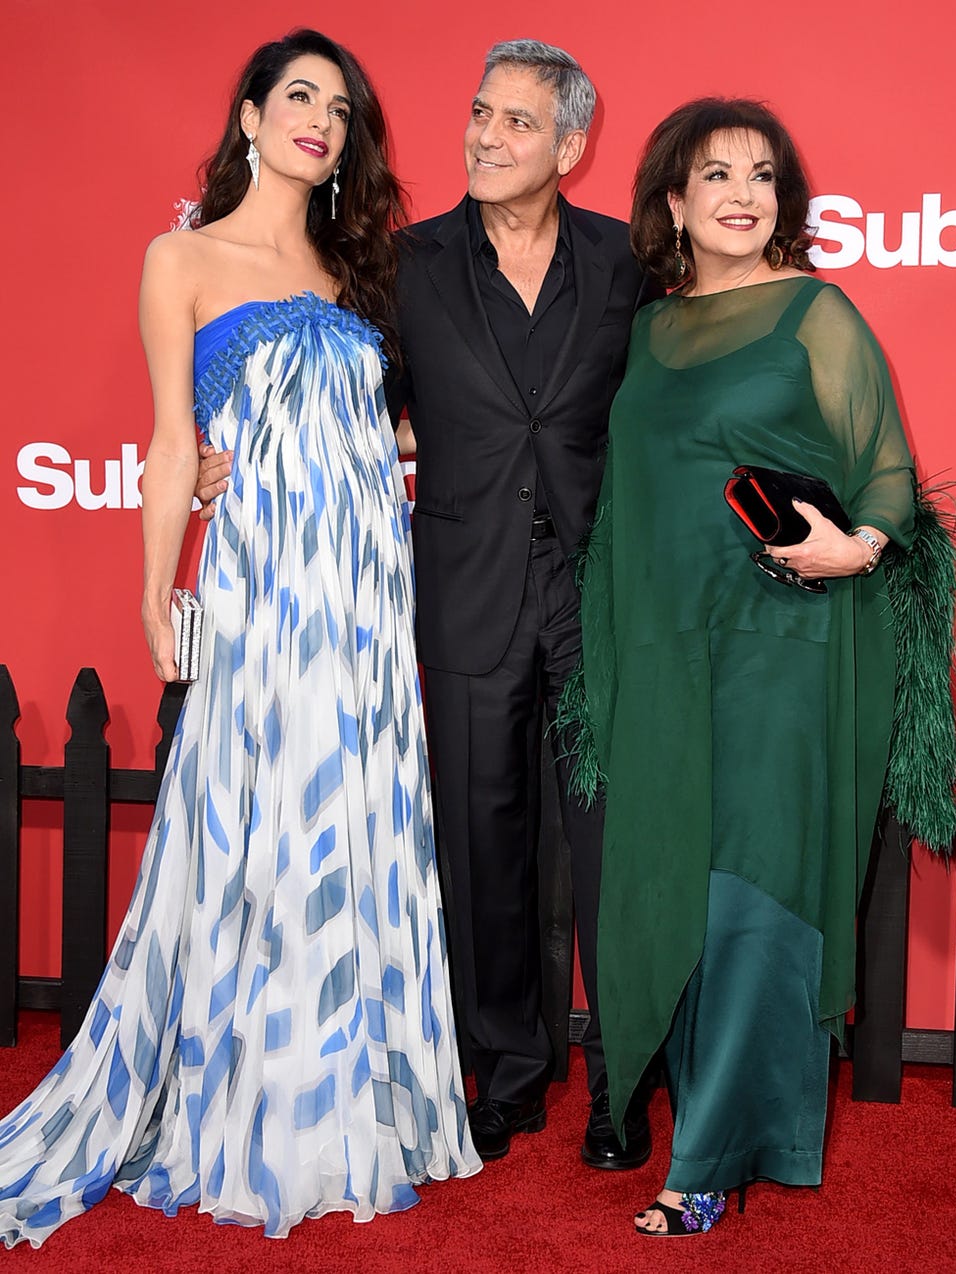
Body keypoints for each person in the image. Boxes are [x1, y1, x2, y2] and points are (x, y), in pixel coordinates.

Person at [0, 29, 479, 1249]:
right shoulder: (182, 257)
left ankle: (356, 1100)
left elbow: (391, 433)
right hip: (267, 591)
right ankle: (266, 1103)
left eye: (339, 105)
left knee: (358, 818)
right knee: (267, 826)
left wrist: (377, 451)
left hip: (370, 593)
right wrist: (158, 587)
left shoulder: (363, 271)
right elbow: (173, 444)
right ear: (252, 115)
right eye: (299, 95)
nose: (320, 117)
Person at [197, 39, 657, 1169]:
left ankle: (621, 1081)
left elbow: (660, 418)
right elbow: (349, 404)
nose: (487, 136)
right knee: (478, 840)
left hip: (595, 594)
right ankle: (502, 1072)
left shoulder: (622, 262)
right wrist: (234, 455)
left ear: (569, 146)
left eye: (515, 122)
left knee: (617, 847)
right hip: (461, 588)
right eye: (479, 112)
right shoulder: (402, 265)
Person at [574, 97, 955, 1236]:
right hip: (666, 652)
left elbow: (884, 468)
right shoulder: (644, 331)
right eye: (714, 174)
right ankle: (697, 1109)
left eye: (760, 174)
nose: (741, 192)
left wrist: (857, 544)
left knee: (751, 891)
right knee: (678, 883)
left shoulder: (816, 312)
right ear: (672, 201)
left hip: (781, 651)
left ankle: (708, 1159)